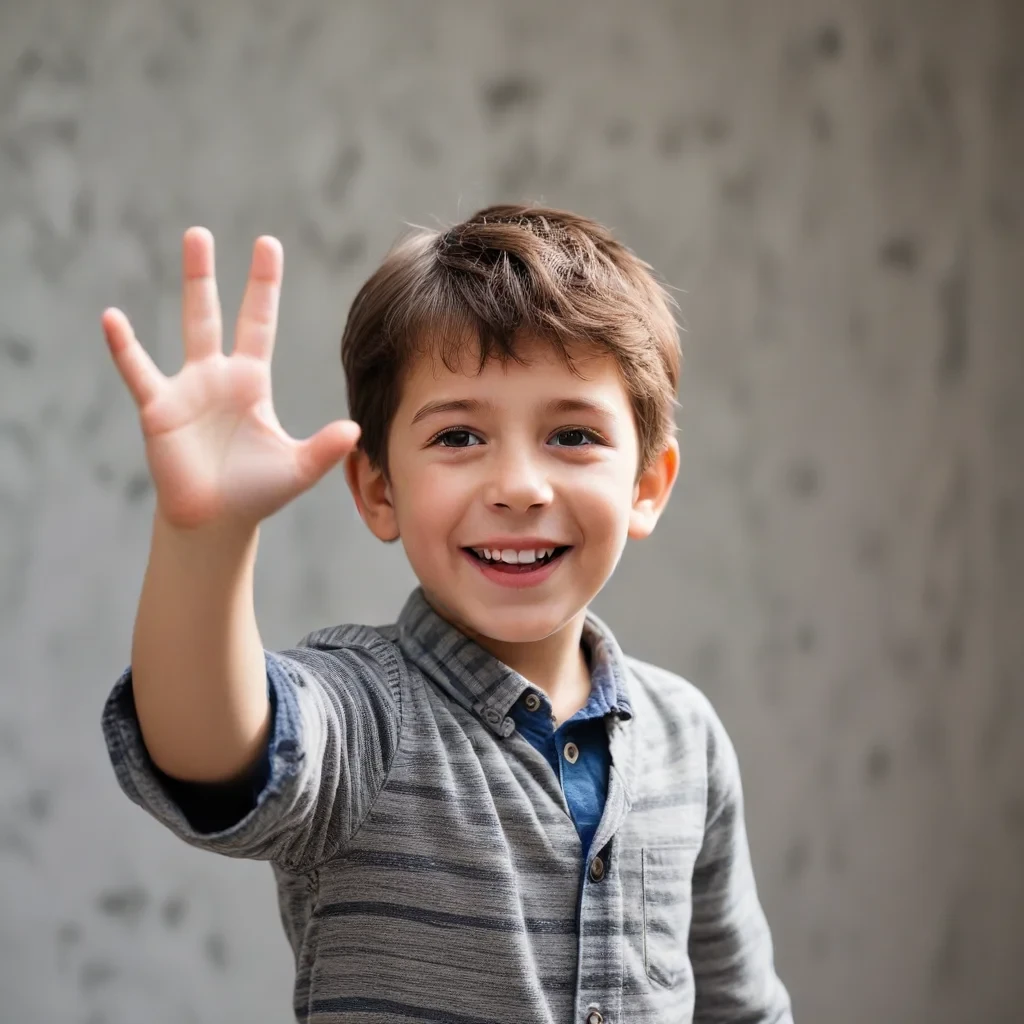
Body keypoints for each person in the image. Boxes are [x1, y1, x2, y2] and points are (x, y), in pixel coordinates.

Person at [100, 205, 793, 1024]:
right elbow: (208, 746)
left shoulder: (688, 738)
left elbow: (741, 1008)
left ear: (647, 485)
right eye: (460, 437)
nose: (519, 486)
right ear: (378, 488)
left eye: (573, 435)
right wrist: (205, 538)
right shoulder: (366, 718)